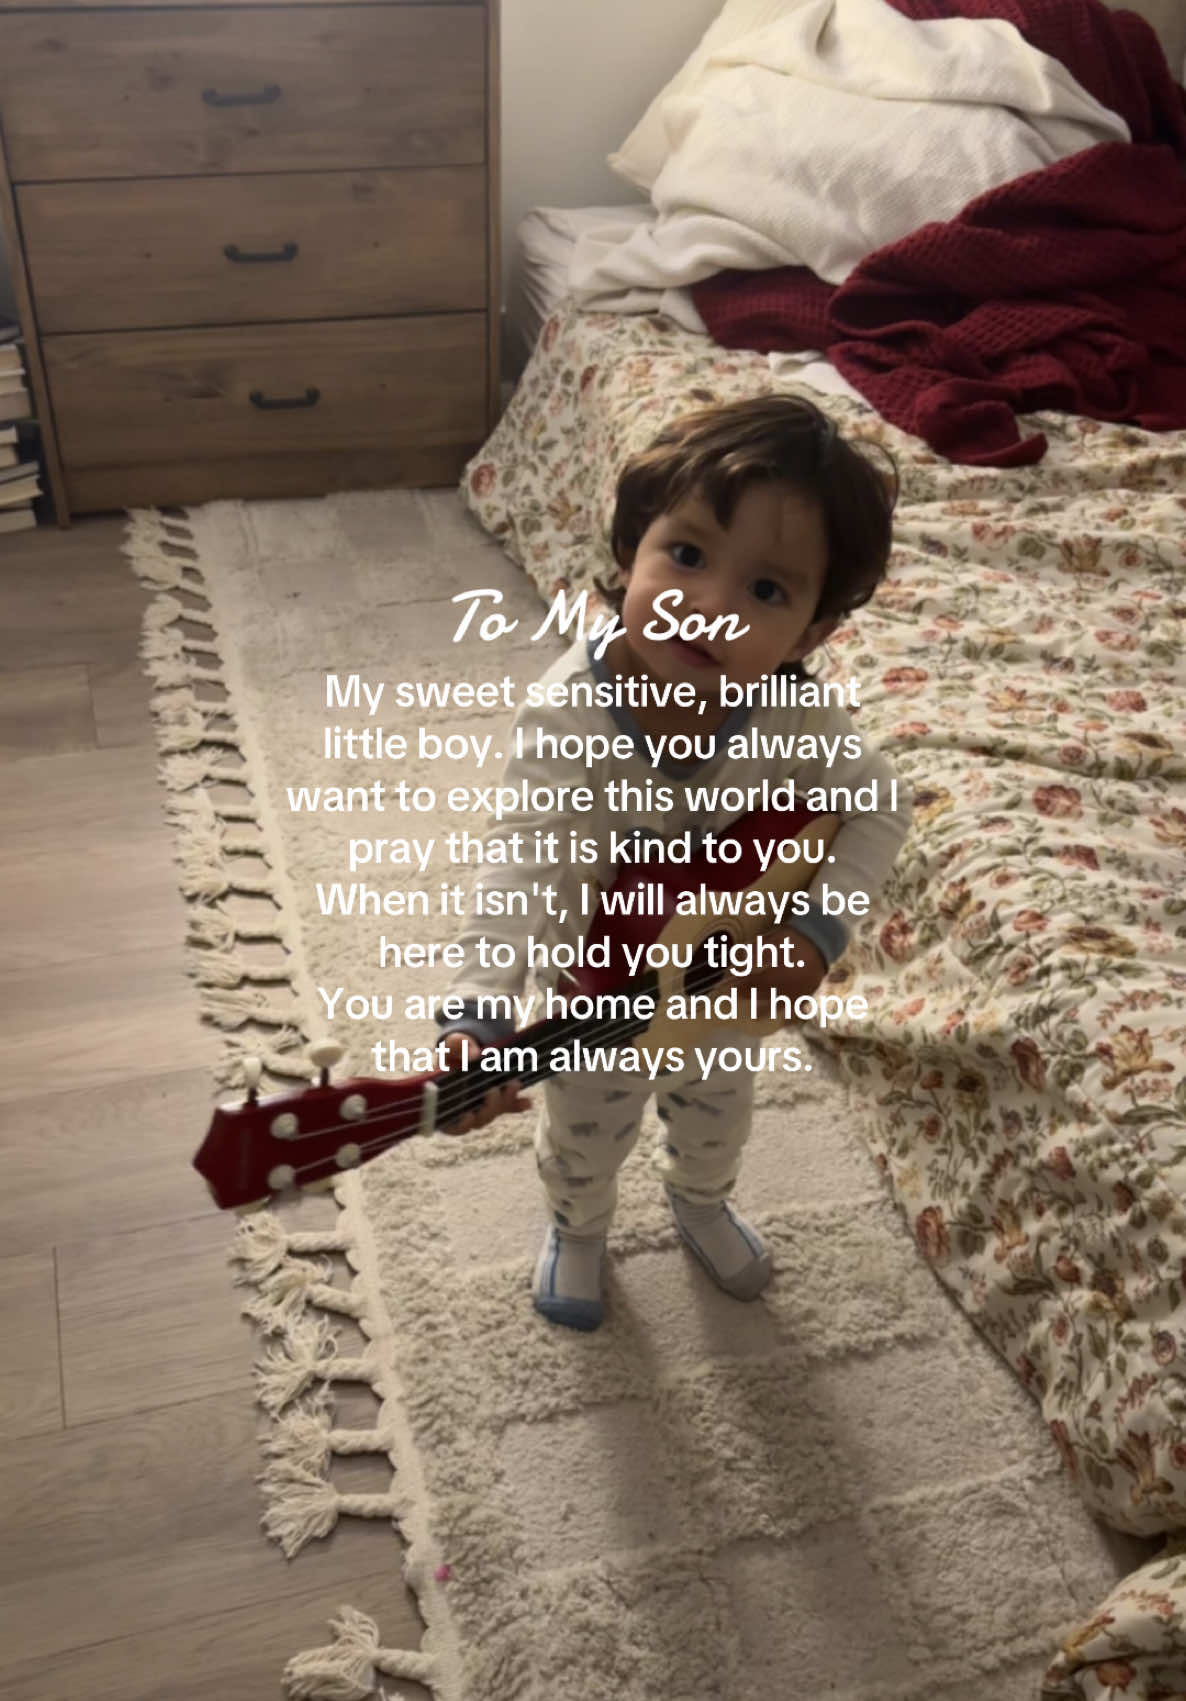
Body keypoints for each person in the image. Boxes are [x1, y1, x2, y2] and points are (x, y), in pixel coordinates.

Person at [436, 394, 911, 1330]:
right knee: (586, 1130)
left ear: (810, 635)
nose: (713, 608)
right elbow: (519, 859)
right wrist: (481, 1009)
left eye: (767, 591)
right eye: (687, 555)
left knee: (718, 1114)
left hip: (721, 988)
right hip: (596, 993)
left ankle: (700, 1200)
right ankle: (578, 1227)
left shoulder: (794, 716)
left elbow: (879, 802)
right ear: (630, 550)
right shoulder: (569, 715)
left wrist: (815, 932)